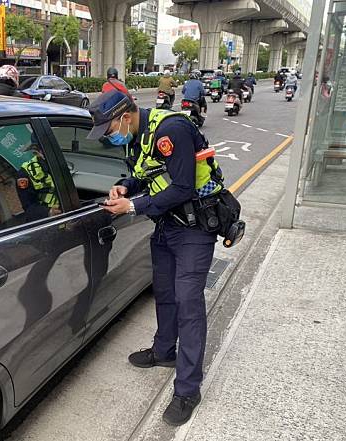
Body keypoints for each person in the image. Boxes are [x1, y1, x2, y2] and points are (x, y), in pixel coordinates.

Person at [86, 90, 223, 426]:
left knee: (188, 303)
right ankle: (164, 351)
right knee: (164, 293)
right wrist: (125, 186)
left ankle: (188, 388)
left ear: (125, 116)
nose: (108, 136)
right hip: (166, 223)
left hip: (194, 226)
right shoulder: (137, 136)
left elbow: (182, 187)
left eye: (109, 129)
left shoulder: (170, 130)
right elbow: (147, 175)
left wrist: (132, 206)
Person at [16, 136, 61, 221]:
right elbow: (29, 208)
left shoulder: (62, 160)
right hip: (49, 222)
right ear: (36, 151)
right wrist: (48, 212)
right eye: (44, 149)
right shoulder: (25, 173)